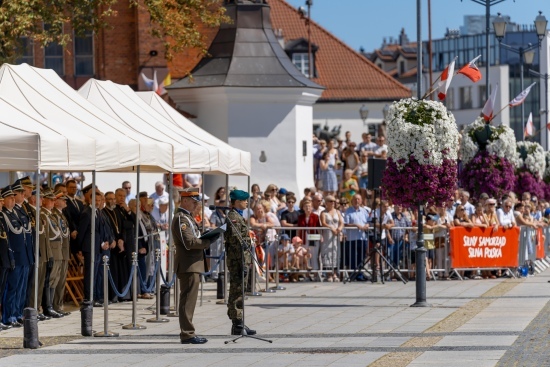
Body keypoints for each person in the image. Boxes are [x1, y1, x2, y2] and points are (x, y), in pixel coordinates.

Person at [172, 187, 219, 344]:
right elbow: (189, 242)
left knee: (189, 300)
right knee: (187, 300)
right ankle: (187, 333)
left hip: (192, 264)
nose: (195, 205)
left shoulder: (187, 218)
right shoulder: (181, 218)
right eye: (193, 202)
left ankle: (188, 332)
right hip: (188, 264)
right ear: (184, 200)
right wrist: (207, 241)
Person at [224, 189, 257, 336]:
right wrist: (243, 262)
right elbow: (237, 243)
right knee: (237, 291)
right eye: (244, 200)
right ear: (237, 202)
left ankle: (239, 322)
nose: (246, 202)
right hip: (238, 260)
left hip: (241, 259)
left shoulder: (238, 216)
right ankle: (237, 323)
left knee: (241, 291)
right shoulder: (233, 217)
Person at [319, 195, 343, 282]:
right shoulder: (323, 212)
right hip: (327, 235)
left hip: (336, 236)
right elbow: (323, 223)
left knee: (335, 252)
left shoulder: (337, 212)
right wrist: (331, 227)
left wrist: (339, 228)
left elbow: (341, 222)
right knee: (327, 253)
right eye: (331, 201)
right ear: (326, 203)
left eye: (334, 201)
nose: (333, 203)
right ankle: (329, 274)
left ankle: (335, 274)